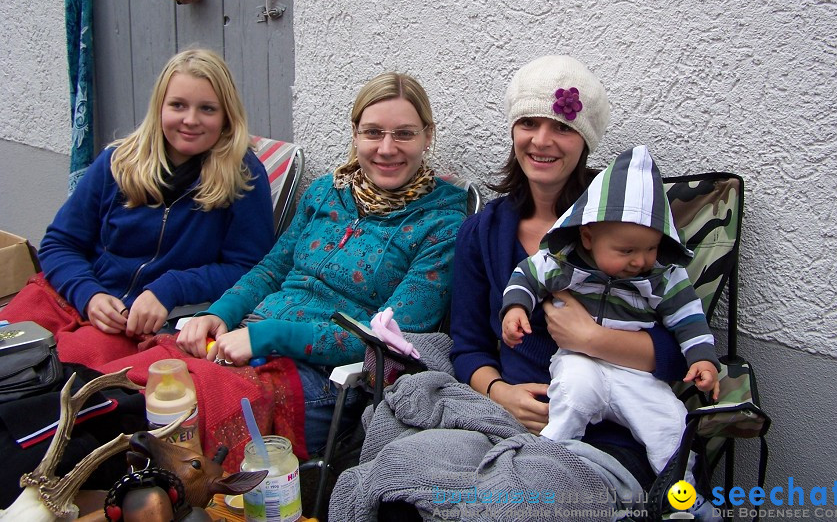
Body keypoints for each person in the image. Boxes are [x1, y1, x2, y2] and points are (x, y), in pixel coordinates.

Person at [329, 55, 691, 521]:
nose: (542, 140)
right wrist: (500, 391)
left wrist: (590, 339)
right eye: (529, 123)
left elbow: (681, 350)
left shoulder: (626, 231)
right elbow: (469, 344)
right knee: (399, 485)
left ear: (585, 140)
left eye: (561, 127)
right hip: (499, 417)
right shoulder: (483, 231)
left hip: (605, 432)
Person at [176, 72, 468, 454]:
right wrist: (219, 314)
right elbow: (272, 269)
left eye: (404, 134)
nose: (386, 148)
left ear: (428, 136)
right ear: (355, 134)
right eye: (373, 132)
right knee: (152, 382)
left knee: (188, 413)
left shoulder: (443, 223)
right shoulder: (327, 192)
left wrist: (269, 336)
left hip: (323, 379)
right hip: (245, 340)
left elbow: (391, 339)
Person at [0, 49, 275, 367]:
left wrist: (169, 288)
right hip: (73, 294)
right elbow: (60, 243)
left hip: (137, 324)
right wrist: (88, 294)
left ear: (226, 116)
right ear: (159, 107)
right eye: (178, 105)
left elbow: (250, 269)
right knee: (11, 344)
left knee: (60, 373)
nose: (190, 120)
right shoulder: (118, 161)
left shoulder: (243, 176)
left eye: (207, 109)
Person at [501, 144, 719, 483]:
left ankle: (680, 495)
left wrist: (703, 358)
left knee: (670, 424)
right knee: (572, 395)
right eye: (626, 250)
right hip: (578, 361)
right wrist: (515, 308)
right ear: (588, 237)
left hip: (637, 374)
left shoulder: (661, 275)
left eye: (650, 248)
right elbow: (527, 275)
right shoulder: (566, 263)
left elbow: (689, 318)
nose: (640, 260)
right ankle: (547, 457)